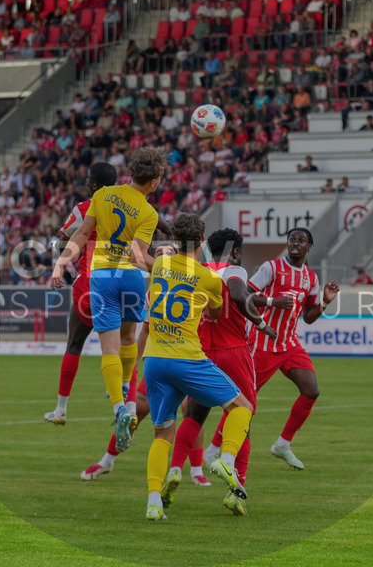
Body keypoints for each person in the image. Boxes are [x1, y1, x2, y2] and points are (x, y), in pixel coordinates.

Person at [142, 213, 255, 521]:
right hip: (187, 358)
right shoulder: (209, 279)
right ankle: (226, 460)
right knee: (242, 406)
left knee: (161, 434)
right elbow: (217, 314)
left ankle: (153, 502)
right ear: (202, 242)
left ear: (174, 241)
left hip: (153, 360)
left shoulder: (160, 265)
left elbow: (141, 256)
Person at [51, 147, 163, 453]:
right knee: (130, 339)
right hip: (131, 279)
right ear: (153, 182)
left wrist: (61, 264)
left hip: (100, 278)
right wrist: (169, 268)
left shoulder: (102, 196)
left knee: (108, 348)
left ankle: (119, 409)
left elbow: (82, 233)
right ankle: (128, 396)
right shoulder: (149, 213)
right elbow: (138, 256)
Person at [162, 228, 280, 516]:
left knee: (195, 415)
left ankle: (175, 469)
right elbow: (240, 296)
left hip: (203, 352)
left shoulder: (199, 270)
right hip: (234, 352)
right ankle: (235, 489)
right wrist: (264, 326)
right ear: (236, 251)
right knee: (244, 415)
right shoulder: (234, 270)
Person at [204, 228, 340, 471]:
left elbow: (308, 317)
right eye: (292, 239)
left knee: (311, 390)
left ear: (310, 246)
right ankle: (214, 449)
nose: (295, 243)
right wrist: (273, 302)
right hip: (262, 343)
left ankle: (282, 444)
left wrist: (325, 302)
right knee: (242, 401)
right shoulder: (271, 268)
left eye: (301, 240)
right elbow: (246, 295)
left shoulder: (310, 277)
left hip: (289, 344)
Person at [79, 245, 210, 483]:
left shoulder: (195, 286)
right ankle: (107, 462)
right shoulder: (151, 294)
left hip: (187, 360)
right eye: (158, 255)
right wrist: (134, 365)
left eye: (167, 254)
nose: (162, 259)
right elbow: (145, 332)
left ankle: (196, 470)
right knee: (137, 412)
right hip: (158, 362)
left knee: (188, 410)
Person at [43, 163, 119, 426]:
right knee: (119, 346)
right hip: (122, 285)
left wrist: (65, 256)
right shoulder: (129, 209)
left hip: (89, 285)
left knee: (74, 345)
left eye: (88, 178)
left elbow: (64, 237)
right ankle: (121, 402)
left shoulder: (84, 208)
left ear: (95, 185)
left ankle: (61, 409)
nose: (85, 181)